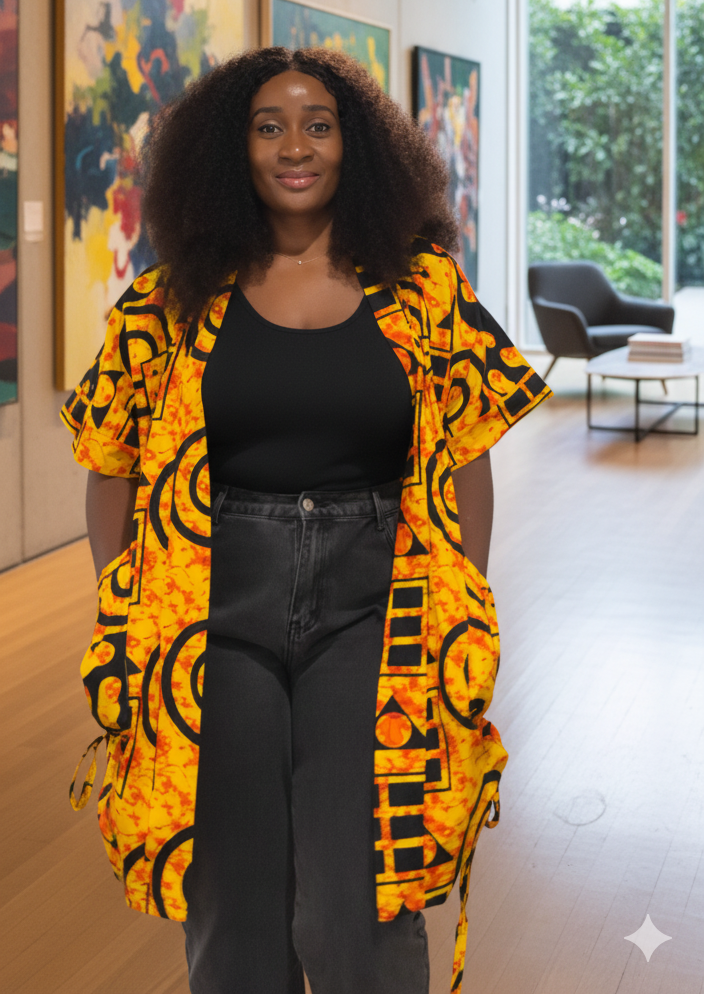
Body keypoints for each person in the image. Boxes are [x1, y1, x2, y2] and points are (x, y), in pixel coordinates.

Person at [62, 48, 551, 995]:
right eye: (269, 124)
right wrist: (129, 606)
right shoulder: (166, 304)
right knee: (233, 899)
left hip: (377, 603)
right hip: (212, 607)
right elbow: (108, 468)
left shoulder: (426, 293)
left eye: (318, 123)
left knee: (359, 891)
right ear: (231, 150)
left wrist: (468, 600)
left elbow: (467, 458)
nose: (296, 146)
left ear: (353, 143)